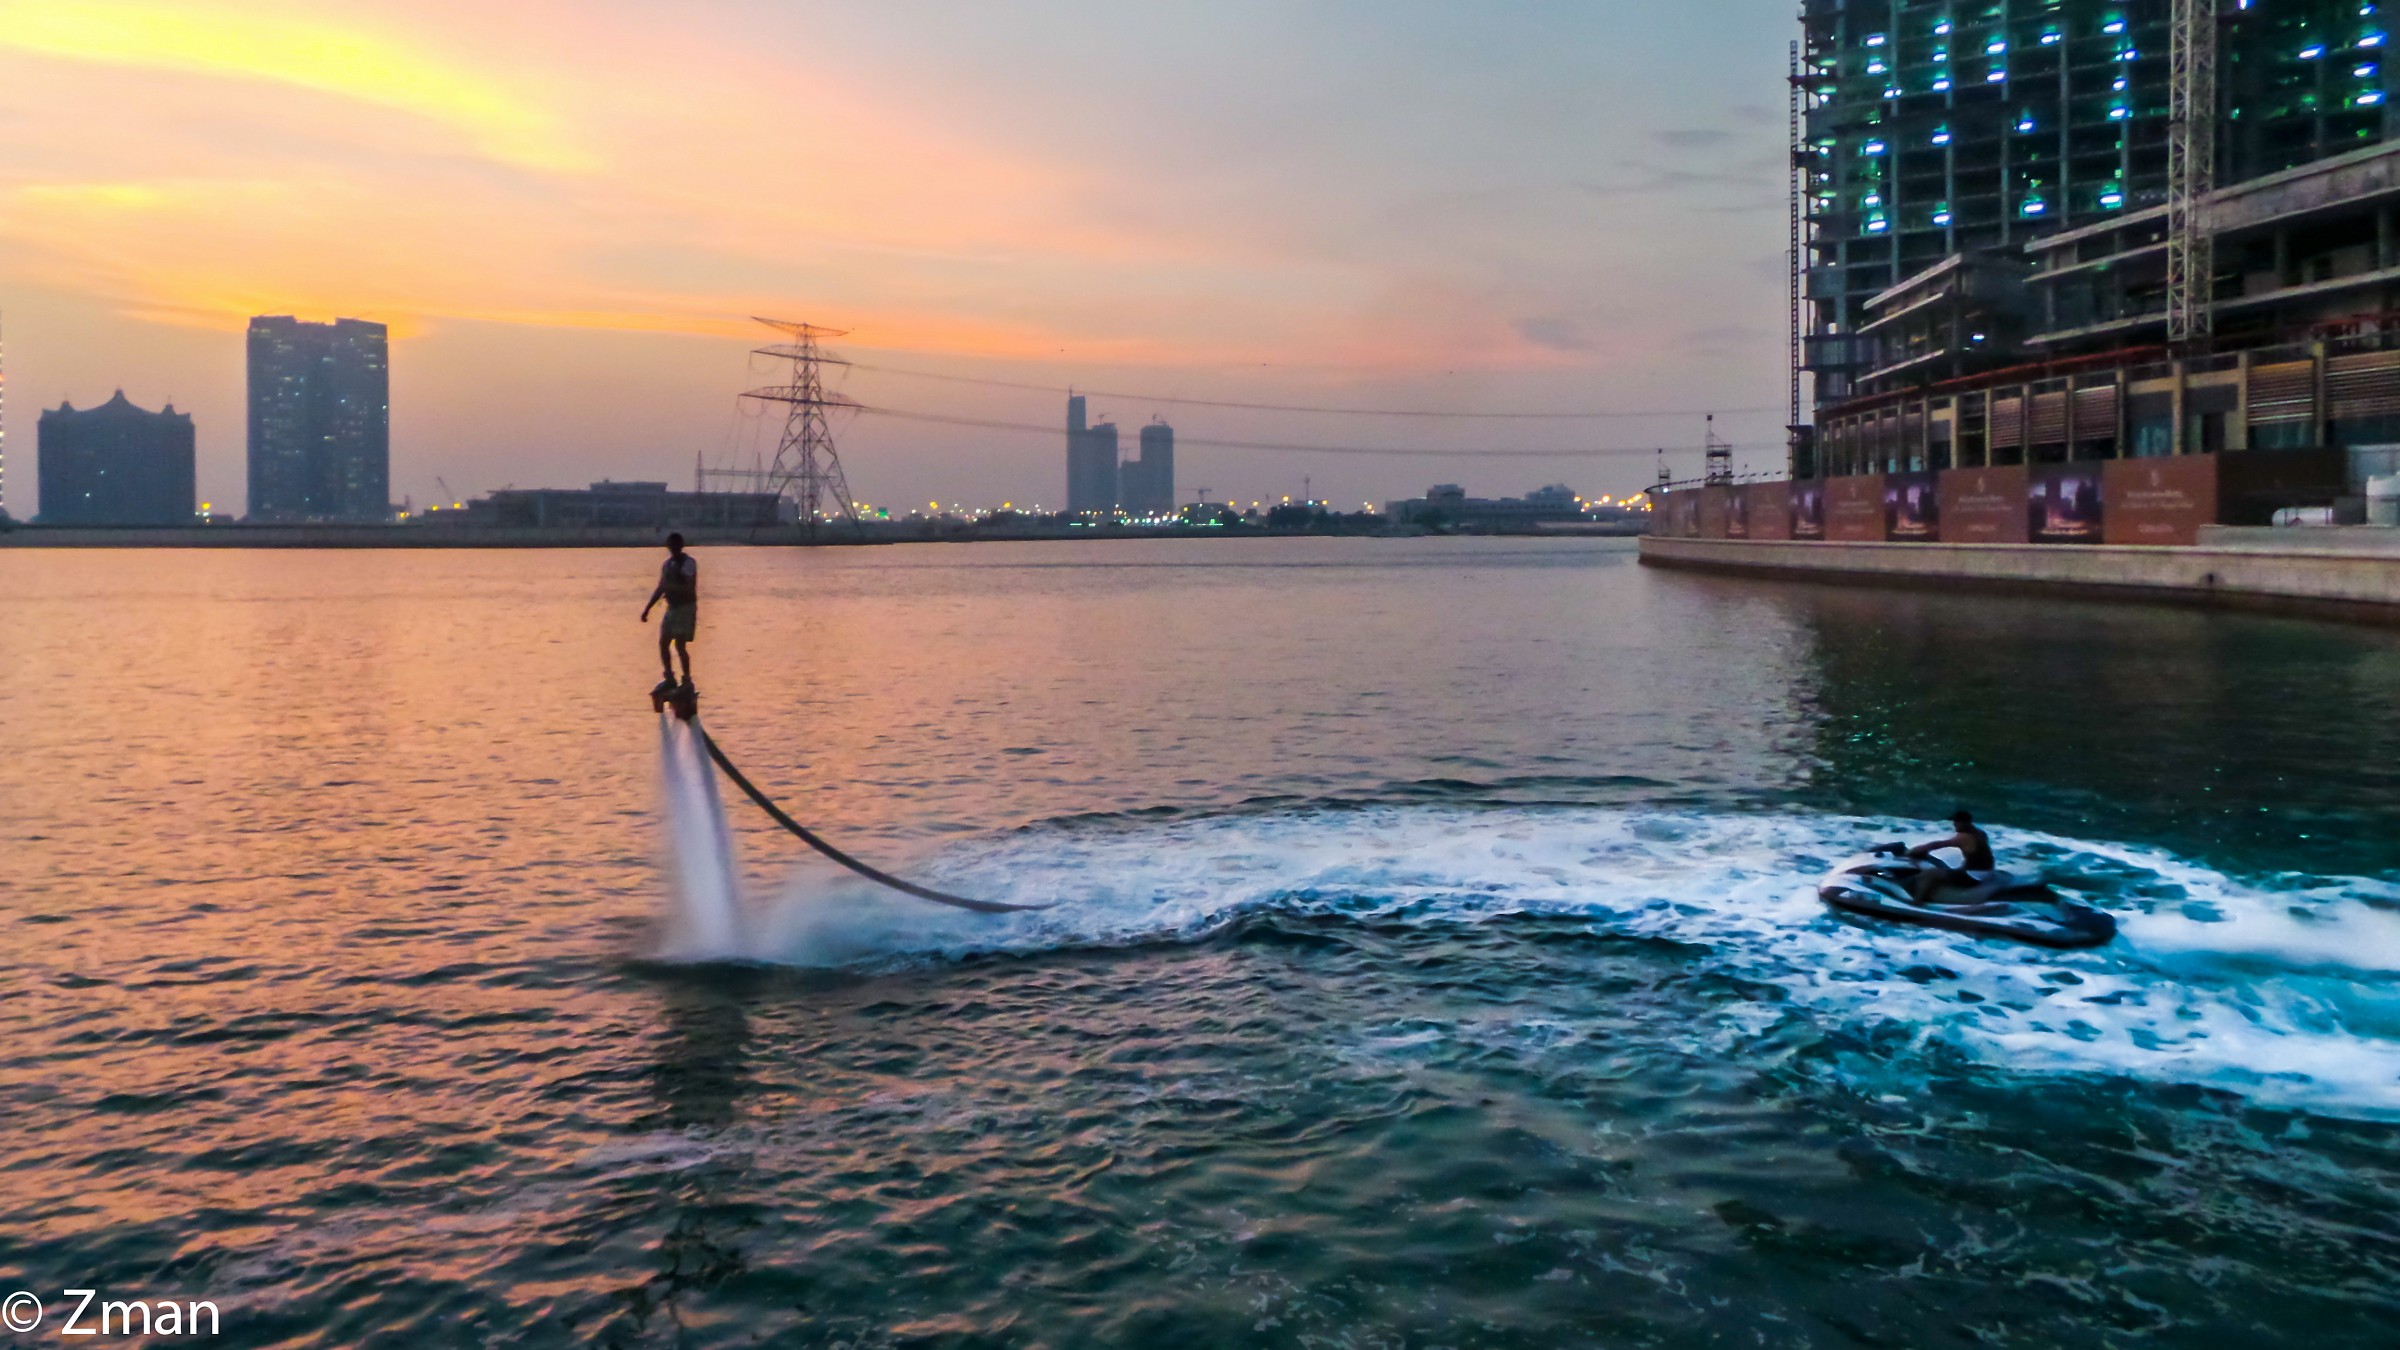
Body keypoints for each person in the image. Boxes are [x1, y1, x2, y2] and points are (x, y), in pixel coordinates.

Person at [641, 533, 698, 691]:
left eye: (675, 546)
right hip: (672, 608)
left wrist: (671, 587)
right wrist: (647, 609)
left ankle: (686, 680)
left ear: (681, 546)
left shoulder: (688, 563)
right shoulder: (667, 565)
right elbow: (661, 588)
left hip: (685, 607)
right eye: (670, 546)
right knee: (663, 642)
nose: (673, 549)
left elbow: (689, 586)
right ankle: (669, 677)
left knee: (680, 645)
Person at [1905, 808, 1995, 903]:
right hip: (1986, 872)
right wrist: (1961, 869)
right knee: (1948, 871)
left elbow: (1936, 845)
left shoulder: (1964, 837)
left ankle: (1917, 902)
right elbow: (1977, 857)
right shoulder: (1980, 833)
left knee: (1930, 874)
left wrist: (1913, 850)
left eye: (1956, 822)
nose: (1954, 824)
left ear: (1965, 822)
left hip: (1974, 876)